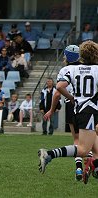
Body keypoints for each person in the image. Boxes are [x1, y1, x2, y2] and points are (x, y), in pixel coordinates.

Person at [38, 41, 98, 184]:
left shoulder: (71, 69)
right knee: (83, 149)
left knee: (94, 148)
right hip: (90, 110)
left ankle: (92, 167)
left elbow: (59, 87)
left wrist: (72, 98)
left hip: (79, 109)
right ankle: (49, 154)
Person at [43, 45, 84, 181]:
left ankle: (79, 167)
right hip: (89, 105)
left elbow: (56, 94)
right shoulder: (88, 68)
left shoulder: (65, 70)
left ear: (67, 56)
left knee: (77, 140)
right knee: (92, 141)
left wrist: (51, 110)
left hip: (71, 105)